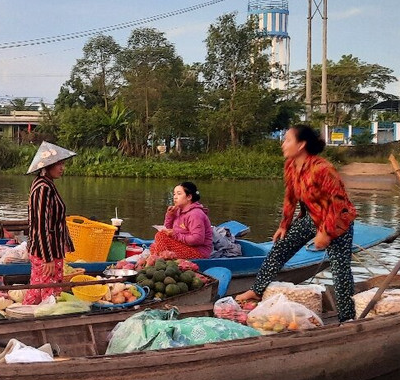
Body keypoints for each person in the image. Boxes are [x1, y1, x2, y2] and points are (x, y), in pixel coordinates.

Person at [237, 124, 358, 322]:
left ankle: (347, 319)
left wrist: (325, 233)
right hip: (311, 217)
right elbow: (290, 197)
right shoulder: (291, 166)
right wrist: (284, 225)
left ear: (301, 145)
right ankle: (257, 290)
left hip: (337, 222)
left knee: (340, 269)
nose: (283, 144)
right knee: (279, 249)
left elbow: (338, 203)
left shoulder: (322, 169)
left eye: (287, 140)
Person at [23, 142, 76, 305]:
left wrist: (66, 243)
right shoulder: (42, 188)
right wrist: (47, 258)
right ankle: (35, 320)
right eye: (59, 164)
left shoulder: (48, 185)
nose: (62, 168)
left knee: (44, 290)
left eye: (62, 164)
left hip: (53, 250)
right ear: (48, 166)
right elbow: (40, 225)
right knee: (46, 292)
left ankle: (32, 317)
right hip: (45, 252)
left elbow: (57, 219)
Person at [151, 181, 213, 258]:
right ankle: (161, 260)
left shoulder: (195, 214)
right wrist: (170, 216)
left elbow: (197, 239)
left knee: (161, 236)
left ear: (189, 197)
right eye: (174, 194)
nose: (175, 197)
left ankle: (161, 262)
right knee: (154, 246)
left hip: (198, 251)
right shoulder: (178, 210)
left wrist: (175, 234)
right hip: (184, 245)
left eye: (179, 194)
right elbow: (168, 229)